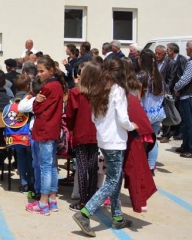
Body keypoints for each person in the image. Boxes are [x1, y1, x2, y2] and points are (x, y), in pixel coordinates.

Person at [72, 59, 137, 236]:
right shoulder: (118, 90)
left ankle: (117, 218)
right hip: (115, 141)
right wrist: (133, 126)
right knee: (113, 181)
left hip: (103, 139)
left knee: (115, 179)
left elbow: (94, 118)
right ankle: (85, 213)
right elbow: (123, 119)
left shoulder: (99, 89)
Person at [25, 56, 66, 215]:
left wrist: (36, 100)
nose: (39, 74)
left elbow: (37, 109)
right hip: (52, 129)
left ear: (51, 70)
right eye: (38, 71)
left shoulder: (49, 87)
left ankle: (43, 202)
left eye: (42, 71)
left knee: (45, 166)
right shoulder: (57, 86)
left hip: (44, 130)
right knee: (52, 166)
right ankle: (53, 199)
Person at [65, 62, 99, 211]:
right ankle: (91, 198)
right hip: (97, 131)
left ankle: (84, 200)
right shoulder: (101, 91)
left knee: (83, 166)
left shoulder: (76, 92)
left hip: (81, 130)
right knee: (92, 166)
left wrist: (70, 129)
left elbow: (70, 114)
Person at [139, 49, 165, 173]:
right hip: (157, 112)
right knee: (153, 140)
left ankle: (141, 165)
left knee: (140, 141)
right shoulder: (159, 76)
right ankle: (151, 166)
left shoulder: (141, 76)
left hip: (143, 114)